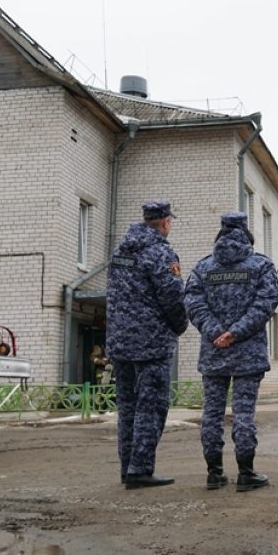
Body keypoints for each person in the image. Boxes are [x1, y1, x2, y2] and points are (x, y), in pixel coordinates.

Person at [184, 212, 278, 492]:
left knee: (212, 414)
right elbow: (266, 304)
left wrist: (216, 331)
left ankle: (214, 473)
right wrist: (236, 332)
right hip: (247, 354)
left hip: (214, 352)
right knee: (243, 413)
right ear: (246, 231)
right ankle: (246, 473)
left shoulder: (203, 268)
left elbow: (192, 303)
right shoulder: (261, 265)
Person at [106, 199, 188, 489]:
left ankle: (127, 468)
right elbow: (173, 297)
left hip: (120, 342)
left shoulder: (119, 253)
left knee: (127, 406)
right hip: (151, 344)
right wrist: (180, 326)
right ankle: (140, 469)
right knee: (151, 406)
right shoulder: (161, 253)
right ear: (165, 222)